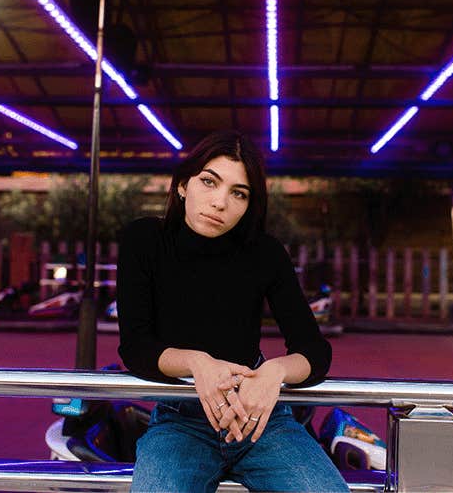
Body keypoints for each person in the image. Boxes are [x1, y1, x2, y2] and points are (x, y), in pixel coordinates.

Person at [117, 130, 348, 492]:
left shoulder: (265, 253)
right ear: (181, 185)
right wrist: (198, 364)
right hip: (181, 419)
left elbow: (315, 351)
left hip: (261, 417)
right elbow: (135, 347)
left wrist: (275, 373)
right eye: (209, 182)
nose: (220, 202)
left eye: (238, 193)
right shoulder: (145, 240)